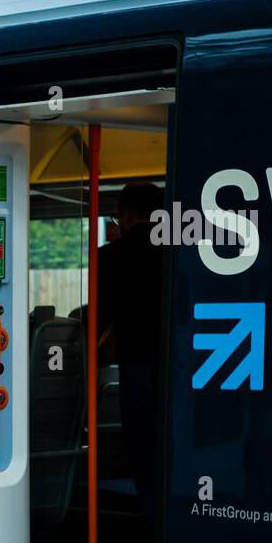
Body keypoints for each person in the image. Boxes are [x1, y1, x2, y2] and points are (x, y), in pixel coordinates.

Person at [97, 181, 165, 523]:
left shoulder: (109, 258)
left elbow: (98, 321)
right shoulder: (183, 253)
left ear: (123, 214)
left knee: (145, 465)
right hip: (186, 372)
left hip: (137, 370)